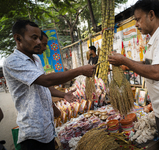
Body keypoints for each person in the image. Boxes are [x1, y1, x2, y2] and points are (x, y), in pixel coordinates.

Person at [108, 0, 159, 150]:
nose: (136, 24)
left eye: (138, 19)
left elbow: (156, 72)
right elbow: (149, 65)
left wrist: (125, 60)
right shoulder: (156, 39)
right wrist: (125, 63)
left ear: (151, 15)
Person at [3, 20, 95, 150]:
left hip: (47, 130)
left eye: (39, 38)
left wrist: (63, 95)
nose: (39, 42)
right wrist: (80, 70)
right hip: (33, 135)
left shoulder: (36, 59)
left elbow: (43, 86)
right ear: (18, 38)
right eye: (34, 38)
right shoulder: (13, 61)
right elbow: (45, 80)